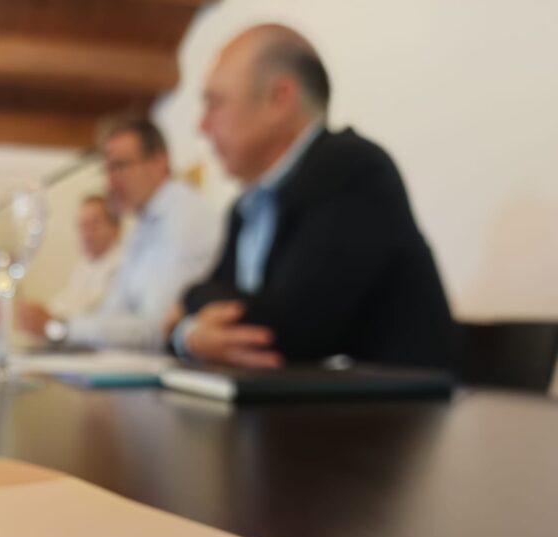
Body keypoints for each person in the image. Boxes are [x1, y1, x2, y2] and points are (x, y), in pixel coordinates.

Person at [169, 24, 455, 369]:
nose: (201, 126)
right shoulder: (245, 209)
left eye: (216, 103)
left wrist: (191, 300)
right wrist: (190, 334)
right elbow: (202, 319)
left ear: (280, 99)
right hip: (304, 398)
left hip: (394, 401)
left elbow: (289, 332)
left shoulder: (353, 170)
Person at [34, 118, 221, 350]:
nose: (110, 182)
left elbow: (157, 328)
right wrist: (62, 328)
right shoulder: (142, 227)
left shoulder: (186, 219)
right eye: (106, 170)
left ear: (159, 162)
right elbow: (112, 312)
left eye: (120, 166)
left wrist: (59, 328)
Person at [18, 195, 122, 337]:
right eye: (82, 225)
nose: (87, 233)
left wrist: (50, 323)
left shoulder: (124, 266)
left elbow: (96, 318)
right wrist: (39, 316)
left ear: (116, 228)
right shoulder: (84, 267)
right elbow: (66, 302)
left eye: (95, 223)